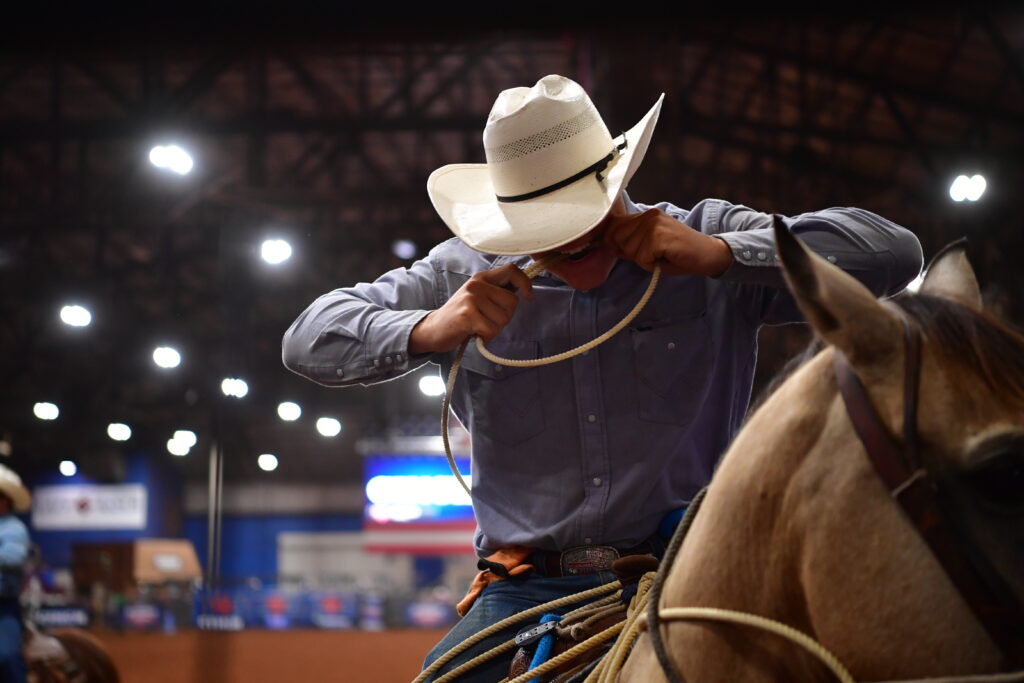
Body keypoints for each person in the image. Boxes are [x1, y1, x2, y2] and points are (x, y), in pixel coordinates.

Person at [282, 75, 923, 680]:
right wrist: (428, 329)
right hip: (527, 587)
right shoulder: (462, 274)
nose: (572, 238)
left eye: (580, 211)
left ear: (616, 178)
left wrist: (726, 256)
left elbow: (891, 254)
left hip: (700, 569)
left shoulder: (702, 238)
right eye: (545, 225)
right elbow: (308, 337)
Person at [0, 465, 31, 683]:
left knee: (7, 657)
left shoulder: (14, 528)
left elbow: (13, 557)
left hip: (3, 607)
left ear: (6, 500)